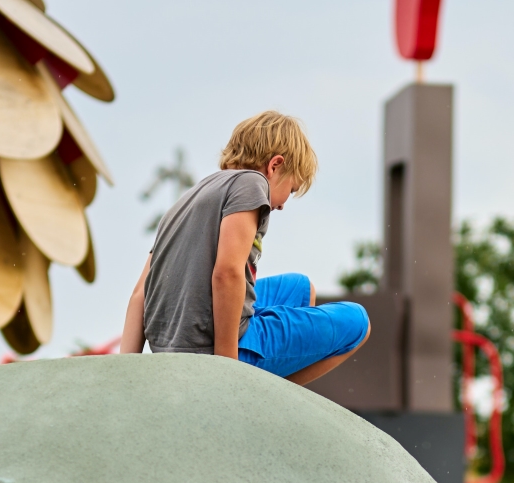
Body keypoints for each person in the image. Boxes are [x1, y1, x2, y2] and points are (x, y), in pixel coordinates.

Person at [121, 112, 371, 385]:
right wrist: (227, 371)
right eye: (291, 188)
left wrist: (126, 375)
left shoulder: (188, 199)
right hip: (210, 346)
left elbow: (139, 294)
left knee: (300, 287)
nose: (284, 204)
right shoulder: (252, 184)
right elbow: (227, 272)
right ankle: (268, 395)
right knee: (358, 322)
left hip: (177, 334)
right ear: (275, 166)